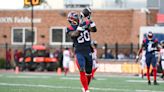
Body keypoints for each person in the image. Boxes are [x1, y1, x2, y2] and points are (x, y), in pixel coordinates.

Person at [66, 7, 97, 92]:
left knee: (89, 73)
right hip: (79, 51)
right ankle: (86, 90)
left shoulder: (84, 24)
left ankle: (85, 88)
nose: (77, 18)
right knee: (81, 69)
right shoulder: (69, 28)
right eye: (75, 17)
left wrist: (91, 21)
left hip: (88, 50)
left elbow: (94, 30)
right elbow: (74, 34)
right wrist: (81, 26)